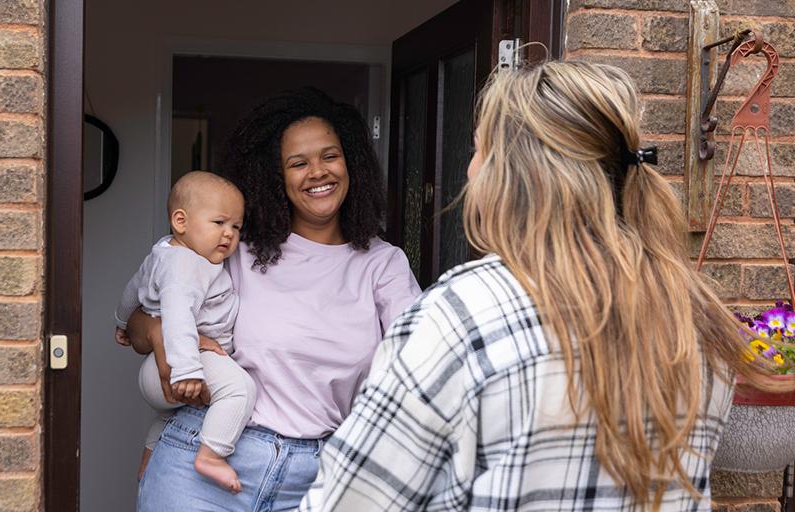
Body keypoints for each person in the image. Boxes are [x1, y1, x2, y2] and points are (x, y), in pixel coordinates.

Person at [300, 61, 786, 511]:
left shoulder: (463, 314)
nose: (469, 169)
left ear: (510, 174)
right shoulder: (691, 311)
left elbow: (350, 501)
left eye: (478, 151)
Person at [126, 87, 422, 511]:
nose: (317, 172)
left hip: (319, 478)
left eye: (329, 156)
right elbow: (139, 320)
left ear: (351, 162)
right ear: (276, 177)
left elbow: (423, 364)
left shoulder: (383, 265)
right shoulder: (237, 249)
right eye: (298, 163)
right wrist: (160, 334)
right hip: (204, 462)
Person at [114, 171, 252, 493]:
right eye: (219, 223)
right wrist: (187, 370)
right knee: (239, 389)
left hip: (166, 365)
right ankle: (212, 456)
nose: (229, 235)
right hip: (179, 362)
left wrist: (121, 321)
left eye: (236, 227)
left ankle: (150, 456)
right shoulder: (186, 266)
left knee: (172, 415)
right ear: (181, 221)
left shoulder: (163, 252)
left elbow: (133, 289)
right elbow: (176, 317)